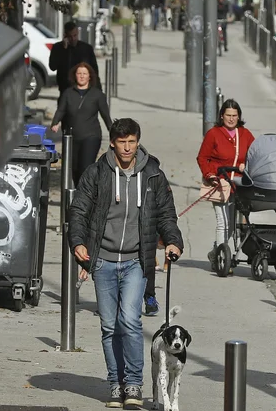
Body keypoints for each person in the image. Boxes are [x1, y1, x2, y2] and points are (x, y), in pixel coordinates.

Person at [70, 118, 184, 409]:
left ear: (137, 142)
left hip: (136, 260)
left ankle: (133, 383)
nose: (127, 147)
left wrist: (173, 241)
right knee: (109, 326)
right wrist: (78, 243)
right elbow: (79, 211)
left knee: (130, 321)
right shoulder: (96, 173)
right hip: (103, 261)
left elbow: (166, 214)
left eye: (132, 142)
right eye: (122, 142)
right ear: (112, 142)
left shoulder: (152, 174)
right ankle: (115, 384)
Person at [196, 99, 255, 269]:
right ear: (222, 116)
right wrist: (209, 174)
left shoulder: (245, 134)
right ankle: (223, 261)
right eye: (228, 115)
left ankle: (216, 253)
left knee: (231, 226)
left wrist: (247, 166)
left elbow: (254, 154)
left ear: (239, 117)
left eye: (234, 116)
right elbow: (202, 157)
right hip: (219, 183)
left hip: (238, 185)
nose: (231, 119)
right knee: (223, 223)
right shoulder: (213, 134)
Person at [50, 62, 113, 187]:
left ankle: (85, 197)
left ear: (90, 76)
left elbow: (106, 116)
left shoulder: (97, 95)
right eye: (79, 73)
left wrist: (114, 135)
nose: (82, 76)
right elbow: (61, 110)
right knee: (74, 170)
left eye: (85, 73)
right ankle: (82, 194)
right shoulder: (68, 93)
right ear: (75, 76)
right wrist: (55, 122)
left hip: (91, 136)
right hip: (72, 137)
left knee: (86, 167)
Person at [48, 21, 100, 105]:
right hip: (65, 90)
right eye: (70, 36)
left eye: (75, 35)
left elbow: (95, 71)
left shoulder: (86, 49)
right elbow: (52, 66)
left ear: (78, 33)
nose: (73, 39)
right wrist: (64, 50)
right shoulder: (58, 48)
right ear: (65, 35)